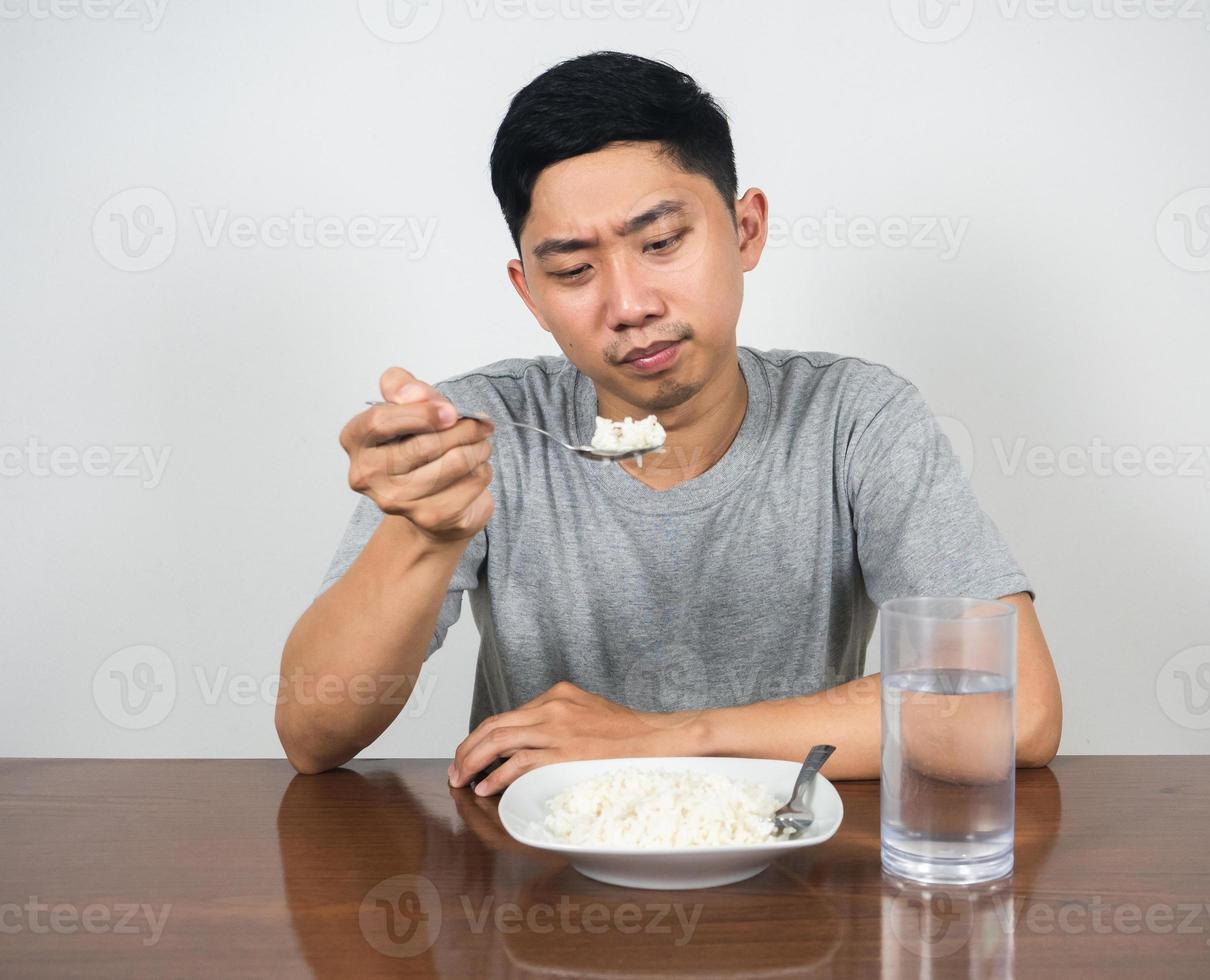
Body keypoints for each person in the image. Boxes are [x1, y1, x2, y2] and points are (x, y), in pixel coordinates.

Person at [275, 51, 1063, 792]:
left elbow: (1017, 708)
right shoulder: (483, 431)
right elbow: (313, 736)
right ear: (529, 295)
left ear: (744, 229)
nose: (629, 306)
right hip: (539, 892)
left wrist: (662, 736)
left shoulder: (852, 418)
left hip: (795, 880)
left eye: (660, 242)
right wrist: (422, 533)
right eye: (573, 270)